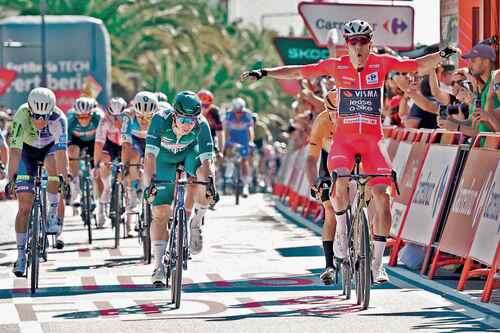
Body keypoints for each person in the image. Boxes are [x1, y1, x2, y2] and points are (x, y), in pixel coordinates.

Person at [241, 19, 456, 283]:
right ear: (347, 45)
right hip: (344, 141)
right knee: (340, 181)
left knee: (383, 197)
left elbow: (417, 65)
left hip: (372, 141)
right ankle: (342, 232)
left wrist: (442, 55)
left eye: (363, 42)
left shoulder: (382, 63)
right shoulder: (336, 66)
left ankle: (378, 263)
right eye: (353, 43)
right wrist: (266, 72)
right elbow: (300, 72)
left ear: (370, 43)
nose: (358, 47)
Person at [143, 91, 216, 286]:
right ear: (174, 115)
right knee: (160, 213)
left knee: (203, 177)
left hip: (189, 155)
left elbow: (207, 161)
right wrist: (148, 185)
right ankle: (158, 266)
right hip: (163, 160)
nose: (187, 125)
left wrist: (209, 185)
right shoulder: (160, 120)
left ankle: (196, 222)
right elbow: (149, 158)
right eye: (183, 119)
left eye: (191, 120)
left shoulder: (201, 125)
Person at [6, 87, 68, 276]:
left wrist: (63, 179)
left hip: (49, 149)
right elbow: (15, 151)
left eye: (44, 117)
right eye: (36, 116)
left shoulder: (59, 118)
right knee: (24, 206)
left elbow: (61, 153)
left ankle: (52, 211)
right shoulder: (21, 115)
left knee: (53, 167)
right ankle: (21, 255)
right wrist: (12, 178)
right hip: (26, 152)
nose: (40, 121)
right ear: (30, 111)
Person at [306, 91, 339, 284]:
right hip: (329, 161)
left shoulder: (354, 117)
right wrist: (313, 184)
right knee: (330, 209)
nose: (336, 117)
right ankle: (329, 264)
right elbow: (311, 158)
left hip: (354, 157)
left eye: (339, 112)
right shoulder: (321, 121)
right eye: (331, 112)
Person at [121, 91, 158, 236]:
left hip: (151, 140)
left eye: (148, 117)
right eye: (140, 116)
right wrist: (125, 166)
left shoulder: (159, 115)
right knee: (134, 156)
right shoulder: (128, 115)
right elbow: (125, 145)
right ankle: (134, 191)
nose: (143, 120)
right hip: (135, 140)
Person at [94, 97, 127, 227]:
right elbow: (98, 144)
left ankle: (128, 199)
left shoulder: (130, 119)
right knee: (104, 161)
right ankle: (104, 197)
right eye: (113, 116)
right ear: (108, 113)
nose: (116, 120)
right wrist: (97, 165)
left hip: (125, 143)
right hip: (111, 145)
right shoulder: (104, 122)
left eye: (119, 116)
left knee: (129, 165)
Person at [67, 97, 101, 211]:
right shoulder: (70, 120)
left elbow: (102, 141)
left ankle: (100, 203)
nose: (83, 120)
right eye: (79, 116)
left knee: (97, 171)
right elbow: (64, 142)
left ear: (92, 114)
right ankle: (75, 186)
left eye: (86, 116)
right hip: (77, 140)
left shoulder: (99, 118)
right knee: (72, 151)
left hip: (94, 141)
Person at [223, 97, 254, 197]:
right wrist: (224, 141)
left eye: (240, 112)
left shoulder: (248, 114)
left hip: (244, 139)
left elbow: (250, 129)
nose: (238, 114)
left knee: (245, 161)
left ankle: (245, 185)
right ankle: (228, 178)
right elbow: (225, 129)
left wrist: (251, 141)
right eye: (236, 112)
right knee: (229, 156)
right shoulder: (229, 114)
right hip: (232, 138)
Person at [197, 90, 224, 156]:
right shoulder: (192, 111)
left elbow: (220, 133)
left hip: (211, 138)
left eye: (206, 106)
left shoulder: (214, 112)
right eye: (201, 106)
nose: (203, 109)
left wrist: (220, 151)